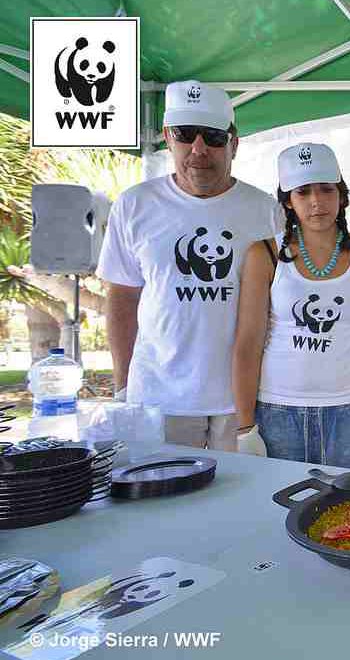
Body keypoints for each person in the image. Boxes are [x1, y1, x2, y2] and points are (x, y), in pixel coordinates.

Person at [97, 80, 281, 451]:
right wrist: (122, 386)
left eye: (213, 136)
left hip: (245, 402)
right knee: (167, 505)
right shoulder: (134, 205)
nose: (199, 149)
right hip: (161, 400)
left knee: (242, 507)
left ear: (234, 142)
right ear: (167, 136)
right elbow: (122, 297)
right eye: (185, 134)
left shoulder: (267, 211)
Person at [232, 143, 350, 469]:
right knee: (275, 514)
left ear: (341, 196)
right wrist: (245, 426)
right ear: (288, 201)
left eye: (326, 190)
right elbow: (247, 343)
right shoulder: (263, 253)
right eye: (303, 192)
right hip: (278, 411)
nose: (317, 201)